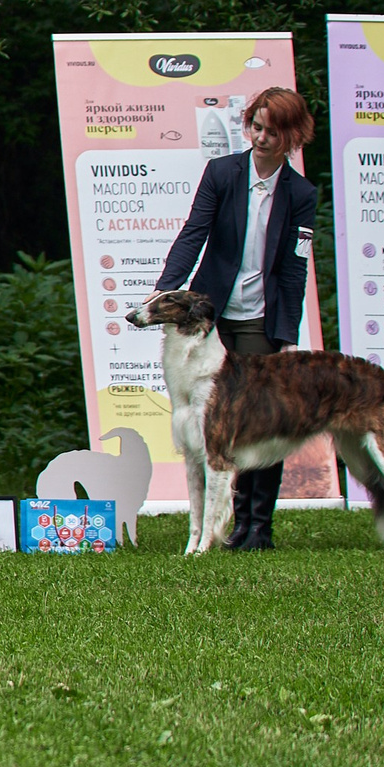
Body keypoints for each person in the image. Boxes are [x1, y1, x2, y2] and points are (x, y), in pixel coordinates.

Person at [154, 85, 319, 551]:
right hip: (213, 319)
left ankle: (256, 527)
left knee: (263, 422)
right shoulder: (222, 173)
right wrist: (167, 287)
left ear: (292, 136)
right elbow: (194, 232)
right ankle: (216, 526)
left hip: (261, 322)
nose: (262, 138)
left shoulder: (301, 193)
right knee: (211, 425)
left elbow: (295, 267)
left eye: (273, 132)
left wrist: (287, 334)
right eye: (257, 127)